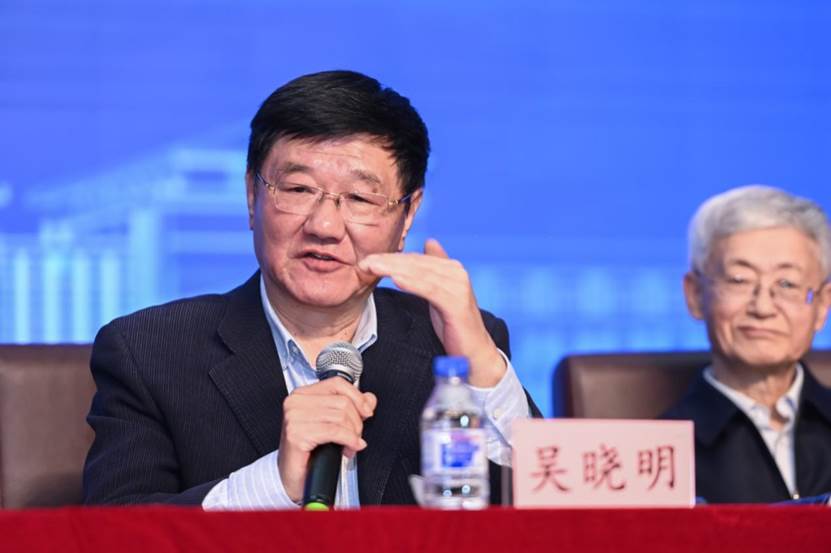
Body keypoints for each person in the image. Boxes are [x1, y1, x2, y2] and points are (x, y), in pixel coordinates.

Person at [83, 70, 538, 508]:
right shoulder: (150, 352)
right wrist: (273, 483)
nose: (324, 226)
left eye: (359, 198)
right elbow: (113, 535)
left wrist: (482, 365)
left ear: (407, 216)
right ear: (252, 196)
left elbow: (551, 515)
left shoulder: (458, 344)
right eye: (298, 189)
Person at [664, 185, 831, 503]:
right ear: (695, 295)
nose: (763, 307)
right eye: (739, 280)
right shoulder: (658, 458)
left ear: (822, 305)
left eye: (787, 284)